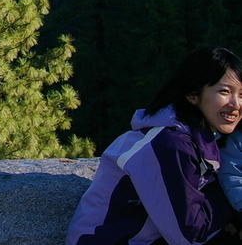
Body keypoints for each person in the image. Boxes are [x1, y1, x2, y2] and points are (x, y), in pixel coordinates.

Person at [66, 46, 242, 245]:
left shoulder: (197, 138)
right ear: (193, 94)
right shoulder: (169, 145)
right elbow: (189, 235)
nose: (236, 104)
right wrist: (229, 198)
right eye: (225, 92)